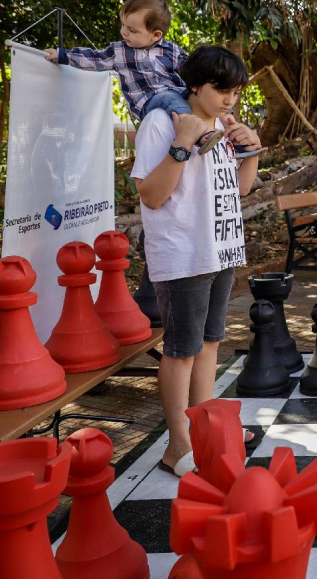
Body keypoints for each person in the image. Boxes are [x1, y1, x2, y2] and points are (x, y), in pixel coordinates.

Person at [130, 46, 262, 476]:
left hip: (219, 248)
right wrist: (183, 145)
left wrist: (253, 151)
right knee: (181, 351)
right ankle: (176, 445)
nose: (229, 99)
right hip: (184, 253)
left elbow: (238, 191)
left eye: (236, 92)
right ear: (195, 84)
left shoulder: (222, 126)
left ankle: (204, 431)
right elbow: (150, 195)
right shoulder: (162, 122)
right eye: (221, 89)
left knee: (209, 344)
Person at [45, 0, 259, 158]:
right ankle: (199, 136)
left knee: (213, 101)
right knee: (169, 98)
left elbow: (191, 71)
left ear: (156, 35)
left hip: (176, 93)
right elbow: (93, 59)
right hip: (149, 101)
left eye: (132, 30)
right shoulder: (119, 52)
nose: (124, 33)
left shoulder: (171, 50)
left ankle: (235, 136)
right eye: (123, 26)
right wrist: (62, 55)